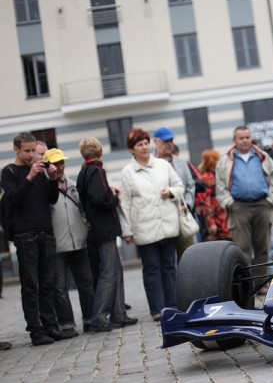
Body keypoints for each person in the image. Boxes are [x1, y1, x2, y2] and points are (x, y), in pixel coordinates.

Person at [0, 132, 68, 346]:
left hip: (46, 233)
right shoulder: (9, 171)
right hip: (25, 235)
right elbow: (13, 200)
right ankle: (36, 330)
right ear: (16, 149)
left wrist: (53, 180)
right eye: (27, 151)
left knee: (47, 284)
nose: (31, 155)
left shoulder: (39, 170)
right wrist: (29, 177)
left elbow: (52, 199)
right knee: (31, 286)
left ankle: (51, 326)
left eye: (33, 150)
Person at [119, 129, 184, 322]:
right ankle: (157, 308)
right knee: (151, 268)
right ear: (132, 149)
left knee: (169, 266)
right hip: (144, 227)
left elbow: (179, 186)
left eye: (146, 143)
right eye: (139, 144)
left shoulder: (163, 165)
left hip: (166, 223)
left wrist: (170, 192)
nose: (144, 147)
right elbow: (125, 203)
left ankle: (172, 304)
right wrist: (126, 230)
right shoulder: (127, 172)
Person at [77, 137, 137, 331]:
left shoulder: (83, 171)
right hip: (104, 229)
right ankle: (99, 317)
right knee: (109, 273)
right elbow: (100, 198)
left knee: (115, 271)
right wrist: (114, 198)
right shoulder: (97, 170)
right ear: (101, 152)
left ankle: (119, 314)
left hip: (95, 228)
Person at [216, 126, 273, 288]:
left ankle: (260, 286)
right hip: (239, 207)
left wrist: (272, 199)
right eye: (241, 138)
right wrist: (229, 203)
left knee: (262, 248)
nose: (245, 141)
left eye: (247, 137)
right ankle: (247, 286)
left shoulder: (262, 157)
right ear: (235, 140)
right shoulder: (225, 161)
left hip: (263, 205)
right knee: (242, 248)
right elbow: (220, 185)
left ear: (251, 138)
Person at [45, 148, 95, 335]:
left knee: (86, 283)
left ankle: (90, 320)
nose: (60, 167)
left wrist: (85, 225)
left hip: (79, 242)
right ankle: (67, 324)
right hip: (57, 245)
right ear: (48, 166)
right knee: (59, 288)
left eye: (61, 163)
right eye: (55, 164)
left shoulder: (72, 185)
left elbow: (82, 209)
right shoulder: (45, 188)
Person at [153, 127, 197, 260]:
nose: (169, 144)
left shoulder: (181, 162)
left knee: (188, 257)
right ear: (155, 141)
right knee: (167, 261)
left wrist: (187, 205)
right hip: (162, 220)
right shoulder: (150, 163)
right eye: (165, 141)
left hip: (182, 217)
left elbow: (190, 186)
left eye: (171, 140)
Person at [196, 150, 231, 241]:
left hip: (222, 212)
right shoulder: (207, 178)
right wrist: (211, 222)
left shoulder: (216, 174)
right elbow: (206, 202)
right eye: (217, 159)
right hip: (215, 214)